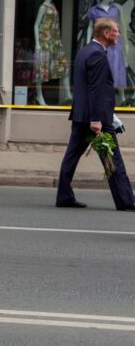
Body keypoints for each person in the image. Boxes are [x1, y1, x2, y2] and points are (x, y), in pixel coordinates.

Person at [56, 18, 135, 211]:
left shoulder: (85, 51)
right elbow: (96, 89)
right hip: (95, 117)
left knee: (71, 156)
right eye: (116, 31)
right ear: (106, 33)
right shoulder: (98, 54)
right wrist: (96, 119)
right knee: (113, 158)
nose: (119, 34)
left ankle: (64, 196)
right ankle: (126, 201)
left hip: (81, 115)